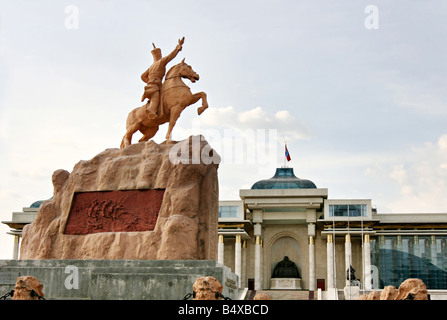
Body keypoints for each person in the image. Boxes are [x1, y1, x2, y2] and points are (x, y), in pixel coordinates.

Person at [141, 37, 185, 119]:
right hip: (155, 85)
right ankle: (152, 110)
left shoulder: (151, 66)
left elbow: (143, 76)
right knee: (155, 97)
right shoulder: (161, 62)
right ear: (159, 55)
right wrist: (178, 46)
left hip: (155, 83)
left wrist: (149, 81)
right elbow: (170, 56)